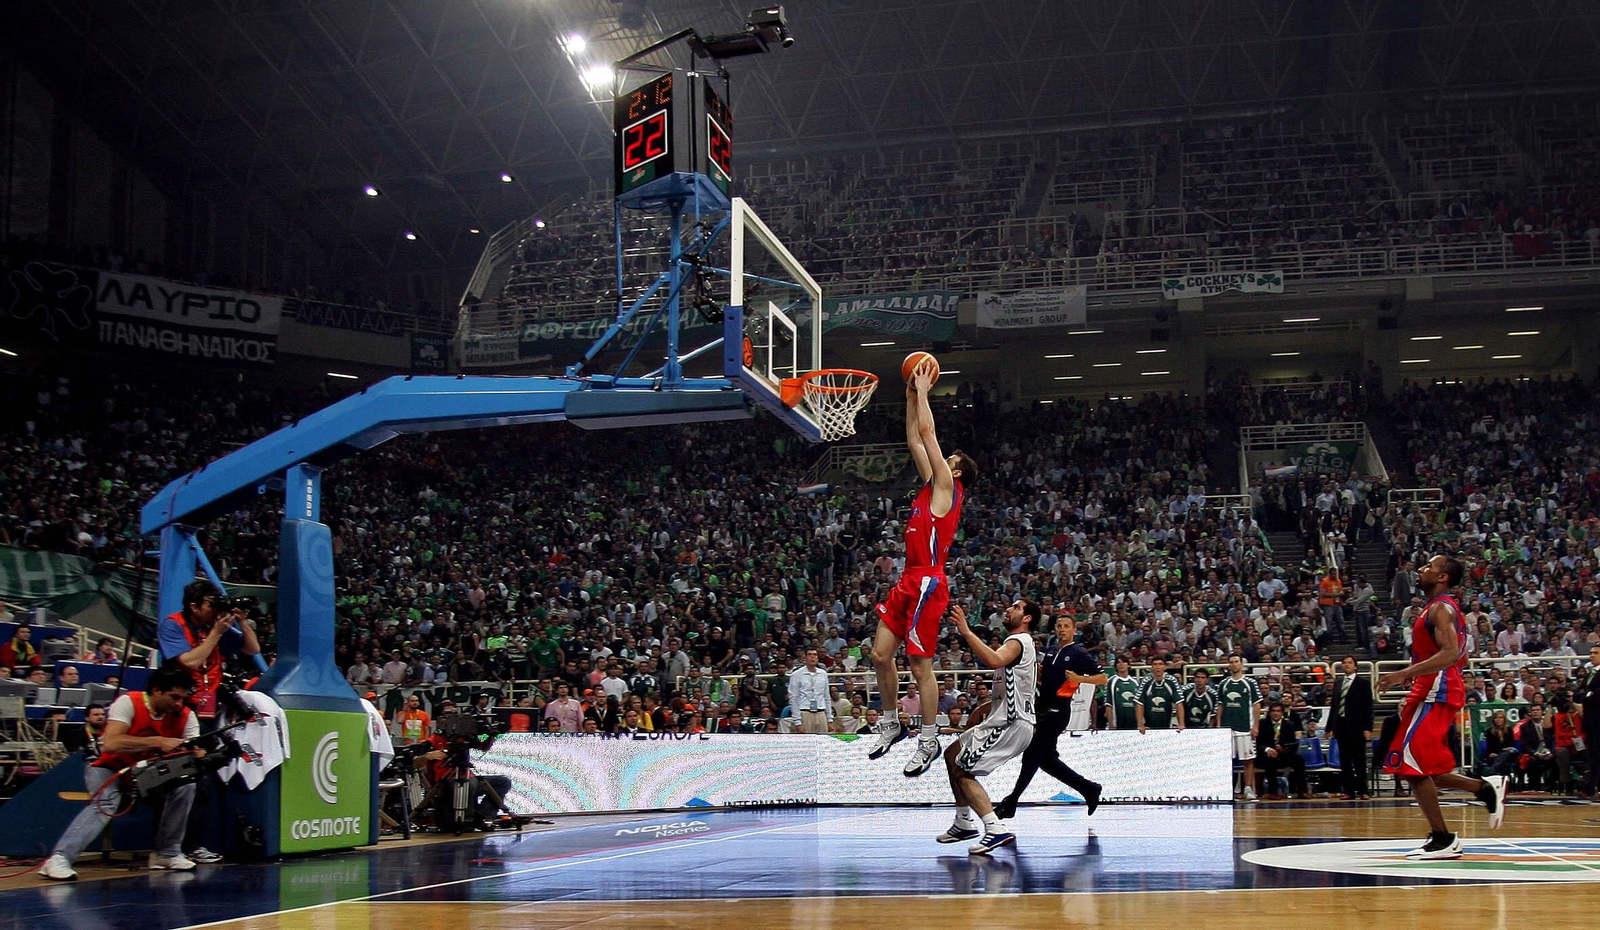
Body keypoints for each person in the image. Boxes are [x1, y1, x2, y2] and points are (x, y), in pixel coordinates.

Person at [867, 361, 978, 778]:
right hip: (909, 578)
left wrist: (926, 390)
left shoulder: (950, 488)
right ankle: (893, 722)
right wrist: (911, 397)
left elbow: (929, 434)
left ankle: (929, 737)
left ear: (958, 470)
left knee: (919, 666)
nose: (940, 459)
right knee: (880, 655)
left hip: (930, 581)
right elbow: (915, 436)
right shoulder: (931, 484)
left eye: (948, 459)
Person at [1378, 554, 1506, 859]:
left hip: (1438, 688)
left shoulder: (1442, 608)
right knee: (1415, 766)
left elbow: (1452, 654)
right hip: (1429, 688)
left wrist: (1404, 674)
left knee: (1414, 764)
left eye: (1429, 567)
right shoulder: (1432, 609)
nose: (1421, 569)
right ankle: (1482, 789)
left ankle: (1444, 839)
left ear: (1442, 577)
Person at [38, 664, 200, 880]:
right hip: (108, 765)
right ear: (156, 691)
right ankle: (59, 858)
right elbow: (111, 743)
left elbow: (195, 752)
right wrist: (158, 741)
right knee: (107, 800)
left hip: (148, 773)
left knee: (185, 785)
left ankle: (166, 852)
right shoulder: (129, 702)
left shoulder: (186, 716)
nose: (179, 703)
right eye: (174, 697)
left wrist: (197, 753)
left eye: (182, 698)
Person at [937, 600, 1038, 856]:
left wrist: (966, 631)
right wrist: (985, 708)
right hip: (1001, 717)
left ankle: (995, 828)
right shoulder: (1019, 644)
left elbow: (994, 659)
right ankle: (963, 822)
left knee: (962, 769)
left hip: (1010, 722)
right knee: (952, 754)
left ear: (1027, 618)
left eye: (1016, 607)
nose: (1008, 609)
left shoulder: (1020, 641)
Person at [992, 613, 1107, 819]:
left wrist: (1079, 678)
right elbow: (1046, 679)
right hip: (1041, 708)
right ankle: (1089, 788)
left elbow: (1103, 678)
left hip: (1058, 711)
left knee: (1032, 755)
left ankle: (1011, 803)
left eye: (1066, 626)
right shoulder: (1051, 651)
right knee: (1047, 761)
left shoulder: (1079, 653)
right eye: (1059, 626)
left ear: (1074, 630)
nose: (1061, 629)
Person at [157, 581, 261, 718]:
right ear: (194, 607)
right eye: (210, 605)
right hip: (181, 699)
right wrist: (216, 633)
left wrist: (242, 622)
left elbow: (253, 649)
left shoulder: (215, 625)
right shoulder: (172, 625)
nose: (215, 610)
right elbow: (189, 662)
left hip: (211, 697)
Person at [1327, 655, 1373, 799]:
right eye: (1344, 663)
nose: (1346, 665)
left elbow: (1368, 707)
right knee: (1344, 761)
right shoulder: (1338, 683)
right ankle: (1348, 790)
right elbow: (1334, 706)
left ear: (1355, 666)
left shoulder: (1363, 683)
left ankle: (1363, 791)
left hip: (1357, 726)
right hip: (1341, 725)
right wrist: (1330, 727)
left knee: (1359, 760)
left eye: (1349, 663)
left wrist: (1367, 728)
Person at [1219, 654, 1262, 801]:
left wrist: (1256, 725)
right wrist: (1219, 726)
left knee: (1248, 759)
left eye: (1236, 661)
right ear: (1228, 665)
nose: (1234, 664)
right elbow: (1220, 706)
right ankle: (1226, 789)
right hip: (1227, 729)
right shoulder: (1223, 684)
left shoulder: (1250, 683)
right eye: (1231, 662)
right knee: (1226, 760)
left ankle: (1248, 789)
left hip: (1245, 727)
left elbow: (1257, 705)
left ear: (1241, 664)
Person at [1256, 702, 1309, 799]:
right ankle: (1273, 792)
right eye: (1273, 711)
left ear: (1282, 713)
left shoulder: (1289, 725)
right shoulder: (1262, 724)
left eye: (1278, 711)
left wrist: (1284, 749)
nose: (1276, 713)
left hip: (1283, 754)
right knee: (1270, 760)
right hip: (1266, 755)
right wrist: (1267, 749)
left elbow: (1293, 743)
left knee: (1299, 759)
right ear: (1269, 713)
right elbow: (1257, 743)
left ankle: (1302, 790)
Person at [788, 648, 832, 734]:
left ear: (817, 658)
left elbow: (827, 697)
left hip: (821, 712)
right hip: (805, 712)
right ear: (805, 658)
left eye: (815, 655)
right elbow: (793, 699)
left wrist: (829, 719)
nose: (812, 657)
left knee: (823, 742)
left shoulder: (823, 674)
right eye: (809, 655)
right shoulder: (796, 675)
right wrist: (797, 722)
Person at [1577, 645, 1600, 799]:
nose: (1592, 655)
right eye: (1591, 653)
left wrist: (1587, 696)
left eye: (1596, 653)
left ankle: (1591, 786)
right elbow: (1580, 693)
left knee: (1598, 754)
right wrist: (1587, 696)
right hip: (1590, 721)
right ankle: (1591, 787)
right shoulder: (1590, 673)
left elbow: (1596, 696)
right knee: (1593, 755)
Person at [1135, 658, 1180, 733]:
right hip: (1148, 727)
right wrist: (1140, 725)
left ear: (1165, 667)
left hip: (1167, 727)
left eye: (1160, 664)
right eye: (1155, 664)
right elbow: (1139, 703)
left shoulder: (1171, 680)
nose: (1157, 667)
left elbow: (1179, 702)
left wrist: (1181, 724)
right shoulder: (1146, 681)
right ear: (1151, 667)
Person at [1105, 657, 1140, 730]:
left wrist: (1140, 723)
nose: (1121, 664)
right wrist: (1111, 724)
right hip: (1117, 724)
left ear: (1128, 665)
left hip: (1133, 723)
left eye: (1124, 662)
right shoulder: (1111, 681)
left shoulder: (1134, 682)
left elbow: (1138, 705)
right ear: (1116, 666)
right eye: (1118, 662)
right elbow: (1108, 704)